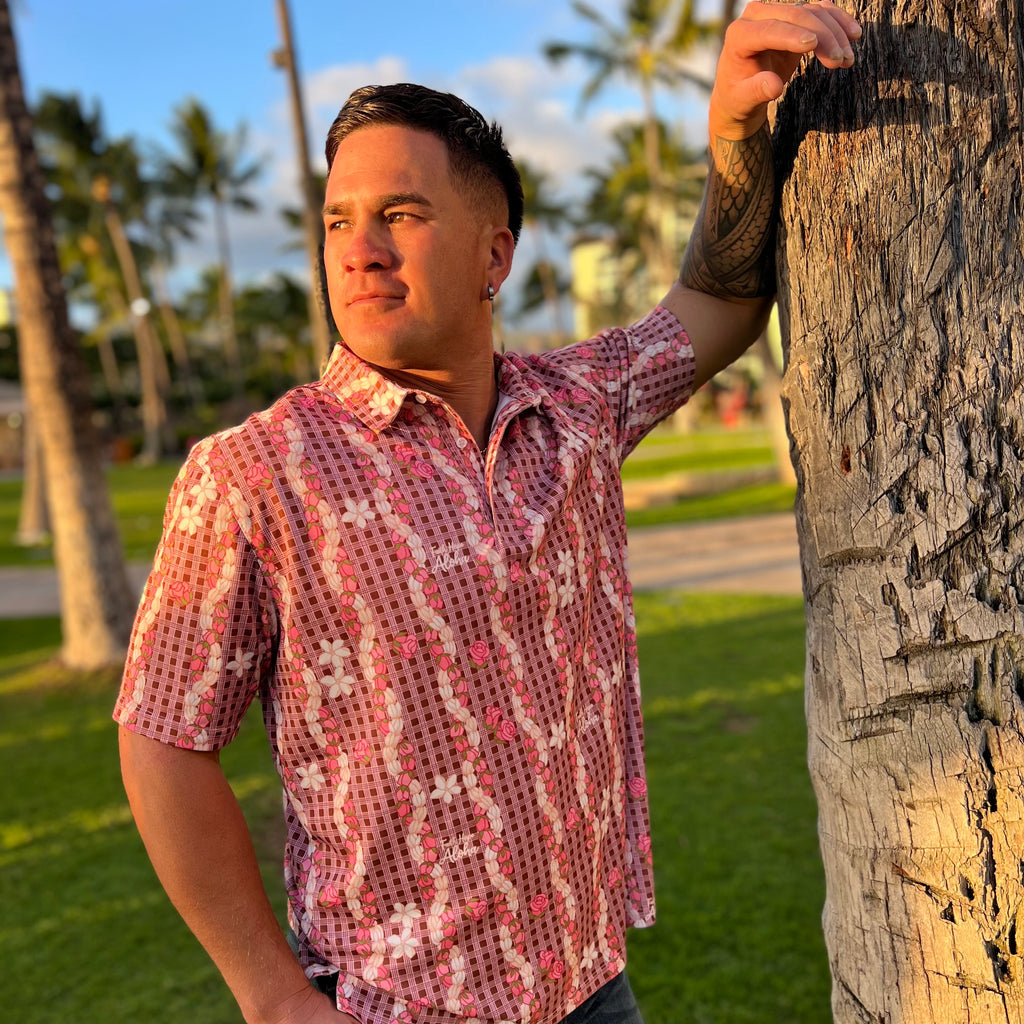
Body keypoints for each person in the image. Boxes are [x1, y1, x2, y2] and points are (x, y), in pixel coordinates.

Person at [115, 4, 861, 1023]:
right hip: (397, 1006)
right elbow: (163, 737)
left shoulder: (578, 405)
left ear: (494, 257)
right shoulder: (253, 474)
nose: (359, 249)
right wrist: (273, 996)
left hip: (591, 987)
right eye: (337, 221)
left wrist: (734, 129)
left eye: (401, 214)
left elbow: (720, 299)